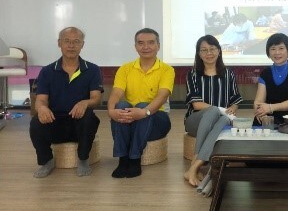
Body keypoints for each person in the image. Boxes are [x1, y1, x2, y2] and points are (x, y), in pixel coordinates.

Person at [29, 27, 102, 178]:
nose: (71, 45)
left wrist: (85, 103)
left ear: (82, 45)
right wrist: (41, 108)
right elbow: (40, 100)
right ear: (59, 43)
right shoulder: (47, 71)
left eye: (76, 42)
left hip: (79, 124)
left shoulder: (92, 69)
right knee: (36, 122)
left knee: (89, 117)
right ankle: (46, 161)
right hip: (55, 122)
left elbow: (96, 99)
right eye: (67, 41)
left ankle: (83, 159)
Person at [107, 28, 175, 178]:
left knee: (143, 105)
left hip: (157, 119)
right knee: (120, 106)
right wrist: (111, 110)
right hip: (130, 118)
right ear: (135, 47)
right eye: (141, 43)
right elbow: (116, 93)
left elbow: (162, 96)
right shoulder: (125, 68)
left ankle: (134, 158)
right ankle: (122, 159)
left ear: (158, 45)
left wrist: (144, 112)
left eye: (151, 43)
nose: (146, 47)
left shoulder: (167, 70)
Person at [183, 35, 242, 187]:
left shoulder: (229, 74)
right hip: (195, 120)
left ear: (219, 51)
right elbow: (196, 105)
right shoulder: (193, 74)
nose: (209, 53)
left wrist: (232, 109)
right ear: (199, 54)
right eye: (204, 50)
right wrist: (221, 109)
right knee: (213, 111)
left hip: (221, 120)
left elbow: (235, 100)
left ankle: (194, 167)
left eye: (212, 49)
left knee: (222, 119)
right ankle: (198, 161)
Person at [253, 33, 288, 127]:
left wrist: (270, 107)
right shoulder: (265, 73)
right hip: (269, 119)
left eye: (281, 48)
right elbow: (258, 101)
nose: (277, 53)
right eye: (273, 49)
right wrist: (261, 114)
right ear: (268, 52)